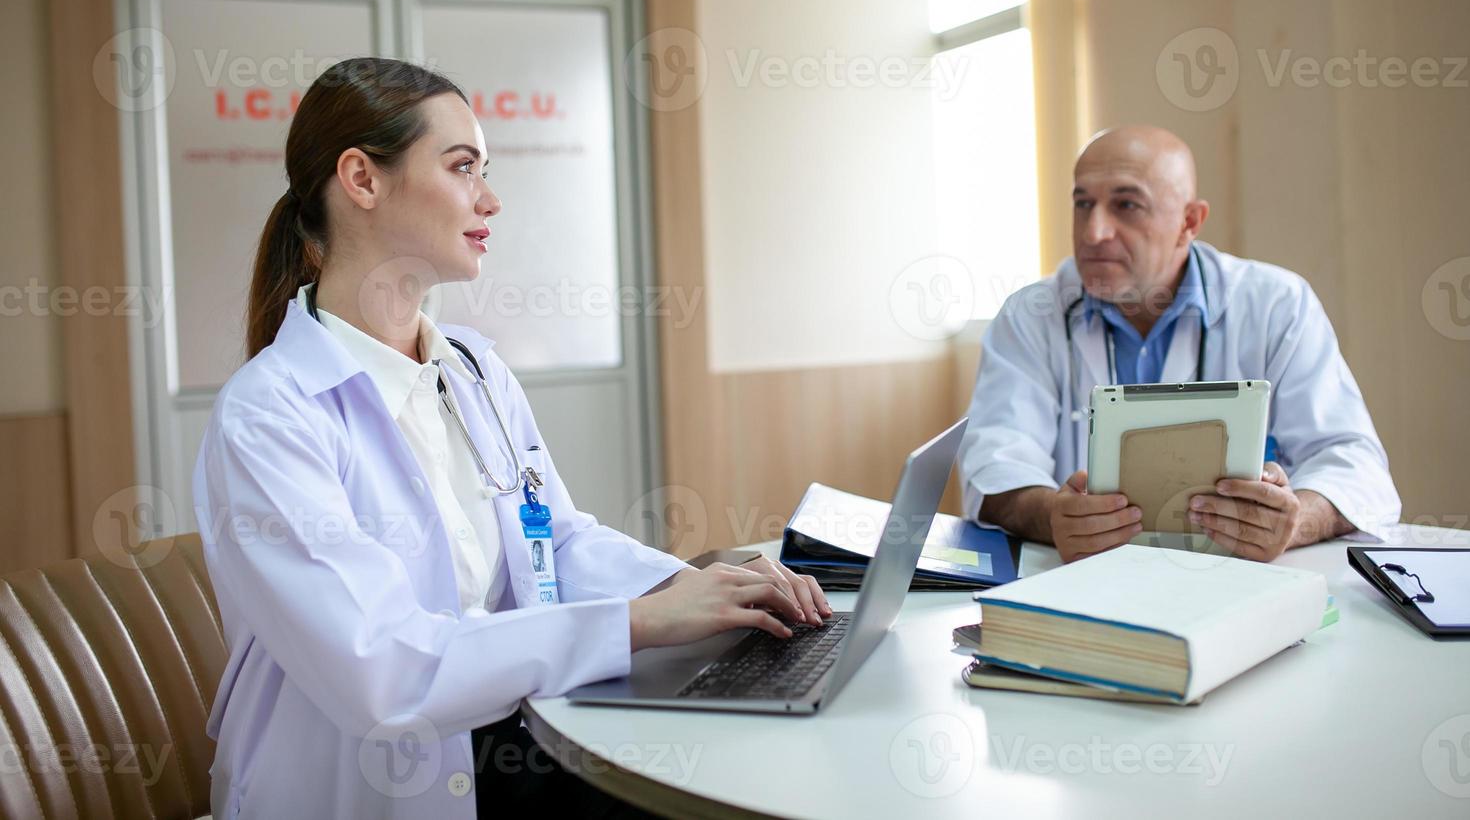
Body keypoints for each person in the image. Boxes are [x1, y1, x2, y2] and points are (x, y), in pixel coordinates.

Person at [193, 57, 831, 819]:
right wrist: (632, 623)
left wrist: (687, 587)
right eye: (463, 168)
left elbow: (554, 540)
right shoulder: (270, 414)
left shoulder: (472, 370)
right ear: (361, 179)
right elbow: (383, 670)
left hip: (511, 741)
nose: (489, 199)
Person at [958, 125, 1401, 564]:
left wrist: (1291, 521)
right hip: (1082, 582)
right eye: (1083, 204)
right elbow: (994, 469)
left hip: (1238, 582)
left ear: (1189, 222)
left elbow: (1356, 464)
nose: (1093, 233)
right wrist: (1053, 514)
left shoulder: (1276, 305)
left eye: (1126, 205)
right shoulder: (1029, 315)